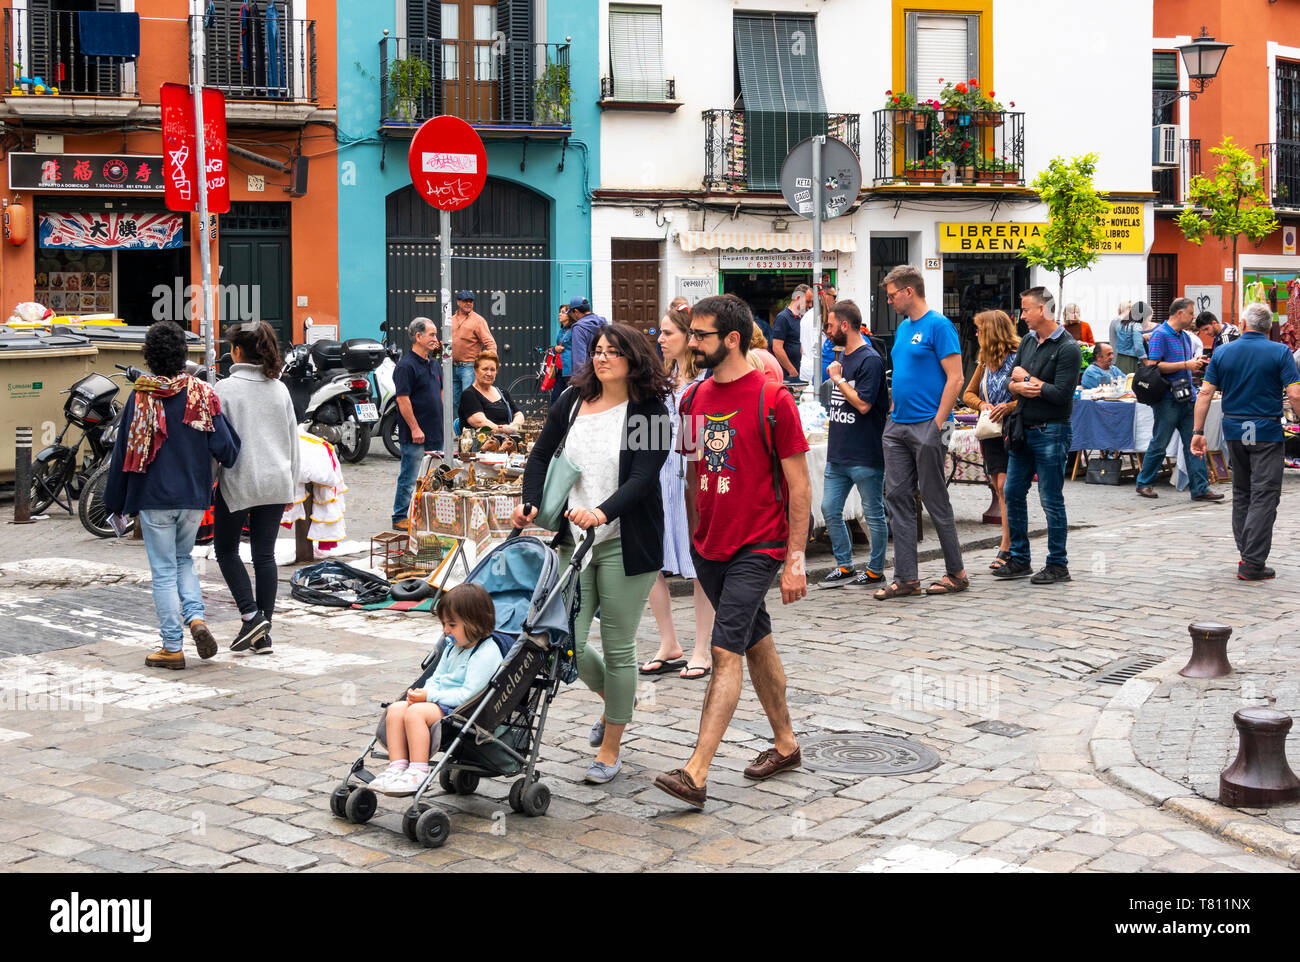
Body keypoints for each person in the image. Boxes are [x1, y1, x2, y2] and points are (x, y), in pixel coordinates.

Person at [653, 294, 811, 809]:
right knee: (755, 639)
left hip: (757, 544)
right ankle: (786, 746)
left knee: (725, 649)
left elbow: (800, 485)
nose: (692, 343)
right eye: (691, 334)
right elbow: (695, 472)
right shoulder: (692, 400)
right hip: (711, 547)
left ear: (732, 340)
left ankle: (696, 773)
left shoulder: (772, 399)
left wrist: (793, 559)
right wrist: (698, 537)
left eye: (700, 336)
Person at [514, 323, 670, 785]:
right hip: (572, 542)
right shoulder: (572, 400)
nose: (602, 359)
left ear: (633, 359)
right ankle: (615, 704)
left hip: (626, 540)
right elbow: (540, 455)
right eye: (598, 351)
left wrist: (602, 513)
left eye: (612, 352)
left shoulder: (649, 411)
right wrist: (532, 499)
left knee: (620, 648)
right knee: (568, 645)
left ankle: (611, 746)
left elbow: (643, 479)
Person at [103, 321, 240, 669]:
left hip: (154, 498)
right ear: (183, 355)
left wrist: (114, 502)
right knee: (183, 562)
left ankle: (172, 646)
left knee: (164, 570)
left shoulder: (141, 395)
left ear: (149, 356)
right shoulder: (200, 393)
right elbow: (226, 447)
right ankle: (196, 619)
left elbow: (121, 454)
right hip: (194, 498)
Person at [874, 265, 969, 599]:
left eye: (891, 295)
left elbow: (955, 377)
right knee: (897, 497)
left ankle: (956, 572)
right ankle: (906, 578)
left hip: (929, 423)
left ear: (908, 291)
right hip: (898, 423)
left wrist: (938, 424)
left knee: (933, 496)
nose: (889, 301)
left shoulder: (939, 326)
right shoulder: (902, 329)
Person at [1193, 302, 1300, 580]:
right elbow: (1296, 394)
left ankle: (1248, 555)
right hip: (1264, 429)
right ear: (1269, 327)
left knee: (1242, 492)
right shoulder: (1280, 352)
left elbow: (1204, 394)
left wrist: (1198, 432)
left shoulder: (1223, 352)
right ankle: (1252, 561)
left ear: (1242, 325)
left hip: (1236, 428)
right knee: (1264, 495)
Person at [213, 321, 299, 655]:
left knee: (226, 550)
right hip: (277, 480)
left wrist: (209, 478)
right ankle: (264, 632)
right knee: (264, 555)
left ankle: (251, 616)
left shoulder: (224, 390)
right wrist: (291, 486)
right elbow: (293, 440)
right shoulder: (279, 388)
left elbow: (217, 442)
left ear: (237, 352)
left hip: (240, 480)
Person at [369, 584, 504, 796]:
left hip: (462, 709)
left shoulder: (486, 653)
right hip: (438, 702)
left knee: (414, 713)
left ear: (475, 623)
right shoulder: (453, 647)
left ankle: (418, 770)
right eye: (444, 624)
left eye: (451, 624)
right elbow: (437, 677)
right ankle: (396, 766)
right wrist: (422, 693)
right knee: (396, 709)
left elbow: (468, 694)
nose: (445, 630)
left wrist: (429, 697)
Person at [640, 306, 717, 681]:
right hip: (660, 476)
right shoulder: (662, 378)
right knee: (652, 559)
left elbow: (699, 440)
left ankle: (702, 646)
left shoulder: (705, 381)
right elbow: (650, 431)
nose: (660, 339)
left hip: (691, 478)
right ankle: (668, 641)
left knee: (699, 561)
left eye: (668, 333)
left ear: (689, 337)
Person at [993, 288, 1082, 586]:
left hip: (1051, 431)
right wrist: (1018, 385)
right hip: (1023, 430)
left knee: (1051, 499)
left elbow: (1061, 394)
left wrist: (1029, 381)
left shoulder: (1068, 348)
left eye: (1026, 310)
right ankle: (1019, 558)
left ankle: (1058, 564)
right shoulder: (1029, 341)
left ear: (1042, 310)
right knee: (1013, 492)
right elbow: (1010, 380)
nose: (1022, 316)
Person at [818, 299, 888, 589]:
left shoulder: (869, 359)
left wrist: (837, 379)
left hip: (864, 453)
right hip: (838, 452)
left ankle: (875, 570)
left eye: (830, 325)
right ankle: (844, 565)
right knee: (829, 508)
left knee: (873, 513)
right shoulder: (842, 357)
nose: (827, 331)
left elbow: (863, 405)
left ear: (845, 325)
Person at [1134, 298, 1224, 503]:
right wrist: (1186, 364)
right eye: (1191, 313)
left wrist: (1195, 364)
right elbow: (1154, 366)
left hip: (1186, 396)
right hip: (1167, 398)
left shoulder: (1184, 336)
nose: (1193, 317)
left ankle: (1200, 487)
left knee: (1193, 442)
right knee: (1160, 442)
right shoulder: (1160, 335)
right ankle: (1144, 482)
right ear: (1179, 313)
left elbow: (1183, 365)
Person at [962, 309, 1019, 572]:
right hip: (991, 432)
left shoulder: (1018, 358)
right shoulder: (984, 362)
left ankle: (1007, 546)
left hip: (1013, 428)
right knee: (999, 487)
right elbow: (968, 394)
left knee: (1007, 488)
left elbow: (1028, 395)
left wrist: (1007, 407)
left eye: (980, 329)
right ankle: (1009, 543)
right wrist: (983, 403)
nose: (976, 334)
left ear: (992, 331)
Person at [392, 317, 444, 531]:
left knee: (434, 478)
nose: (436, 338)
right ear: (418, 336)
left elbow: (439, 395)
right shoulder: (406, 366)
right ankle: (399, 516)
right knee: (410, 476)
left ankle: (426, 515)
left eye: (435, 334)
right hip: (416, 434)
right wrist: (415, 427)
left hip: (435, 432)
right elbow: (402, 399)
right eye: (431, 334)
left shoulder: (435, 364)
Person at [451, 291, 496, 415]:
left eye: (471, 301)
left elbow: (490, 343)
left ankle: (471, 431)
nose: (468, 303)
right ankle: (458, 431)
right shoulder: (451, 320)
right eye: (465, 301)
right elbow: (445, 342)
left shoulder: (478, 320)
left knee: (469, 401)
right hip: (452, 368)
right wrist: (437, 354)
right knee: (454, 402)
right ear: (458, 302)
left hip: (469, 368)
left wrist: (491, 364)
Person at [457, 351, 524, 434]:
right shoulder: (469, 394)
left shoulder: (503, 393)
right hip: (480, 444)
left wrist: (514, 426)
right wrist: (502, 430)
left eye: (492, 370)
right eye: (485, 369)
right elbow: (479, 422)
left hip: (507, 442)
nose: (489, 373)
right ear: (475, 371)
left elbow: (519, 414)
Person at [771, 284, 810, 382]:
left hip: (802, 373)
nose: (810, 305)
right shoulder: (783, 318)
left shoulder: (802, 318)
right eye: (808, 302)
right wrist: (791, 370)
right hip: (790, 376)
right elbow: (777, 348)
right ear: (798, 298)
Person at [566, 296, 608, 373]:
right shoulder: (603, 322)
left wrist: (578, 380)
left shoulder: (578, 328)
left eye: (571, 312)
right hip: (604, 370)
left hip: (588, 374)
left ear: (575, 311)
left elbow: (579, 358)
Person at [1111, 300, 1147, 375]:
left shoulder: (1121, 324)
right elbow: (1138, 347)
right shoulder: (1136, 325)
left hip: (1120, 359)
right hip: (1131, 361)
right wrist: (1145, 360)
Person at [552, 304, 575, 406]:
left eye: (563, 312)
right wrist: (554, 348)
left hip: (569, 370)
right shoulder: (561, 331)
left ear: (569, 315)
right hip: (559, 369)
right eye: (559, 312)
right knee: (555, 398)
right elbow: (557, 346)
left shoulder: (574, 330)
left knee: (568, 399)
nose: (559, 314)